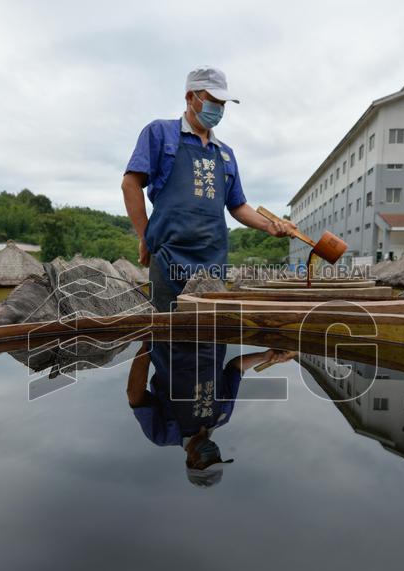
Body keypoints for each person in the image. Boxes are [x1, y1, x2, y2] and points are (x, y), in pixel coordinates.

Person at [122, 66, 291, 311]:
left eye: (222, 104)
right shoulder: (160, 133)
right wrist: (144, 236)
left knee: (210, 329)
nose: (218, 109)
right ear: (190, 97)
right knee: (169, 329)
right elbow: (130, 184)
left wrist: (269, 225)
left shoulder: (225, 153)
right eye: (213, 101)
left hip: (212, 261)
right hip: (169, 257)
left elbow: (237, 205)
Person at [127, 339, 295, 487]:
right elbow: (235, 368)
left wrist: (147, 348)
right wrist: (265, 356)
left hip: (170, 341)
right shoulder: (223, 416)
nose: (214, 455)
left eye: (209, 461)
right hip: (212, 336)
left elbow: (135, 395)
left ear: (191, 462)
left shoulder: (163, 435)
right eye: (218, 459)